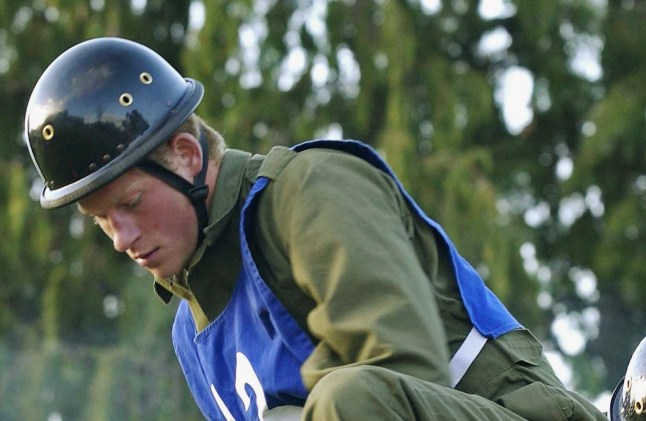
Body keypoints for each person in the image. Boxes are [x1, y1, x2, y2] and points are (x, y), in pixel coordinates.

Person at [24, 37, 607, 421]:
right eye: (102, 221)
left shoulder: (310, 189)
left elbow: (395, 377)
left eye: (129, 203)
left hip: (513, 410)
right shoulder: (191, 335)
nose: (122, 238)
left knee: (346, 400)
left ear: (183, 155)